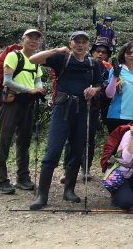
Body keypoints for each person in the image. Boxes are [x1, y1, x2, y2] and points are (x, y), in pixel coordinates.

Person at [28, 31, 102, 210]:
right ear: (70, 43)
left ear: (87, 45)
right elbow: (33, 59)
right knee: (53, 149)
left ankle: (69, 190)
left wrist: (94, 90)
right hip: (62, 108)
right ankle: (42, 195)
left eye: (84, 42)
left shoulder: (94, 64)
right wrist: (56, 50)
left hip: (83, 110)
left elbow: (100, 84)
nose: (80, 45)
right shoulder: (62, 59)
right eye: (77, 41)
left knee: (77, 150)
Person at [0, 29, 44, 194]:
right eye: (30, 37)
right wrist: (29, 90)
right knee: (5, 140)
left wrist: (39, 90)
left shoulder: (36, 61)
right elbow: (8, 81)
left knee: (24, 141)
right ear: (23, 39)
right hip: (13, 102)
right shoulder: (14, 56)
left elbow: (38, 81)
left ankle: (22, 178)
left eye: (37, 39)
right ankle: (0, 181)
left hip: (28, 104)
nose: (34, 41)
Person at [61, 37, 112, 183]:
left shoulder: (108, 69)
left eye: (104, 52)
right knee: (72, 137)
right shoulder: (85, 64)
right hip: (76, 105)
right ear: (93, 52)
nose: (101, 54)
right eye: (98, 51)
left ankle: (86, 168)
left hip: (94, 107)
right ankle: (67, 169)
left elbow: (106, 90)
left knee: (89, 138)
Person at [105, 43, 133, 134]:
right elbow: (109, 94)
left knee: (129, 147)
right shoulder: (117, 70)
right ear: (123, 54)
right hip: (116, 116)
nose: (132, 55)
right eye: (128, 53)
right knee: (115, 148)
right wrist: (115, 76)